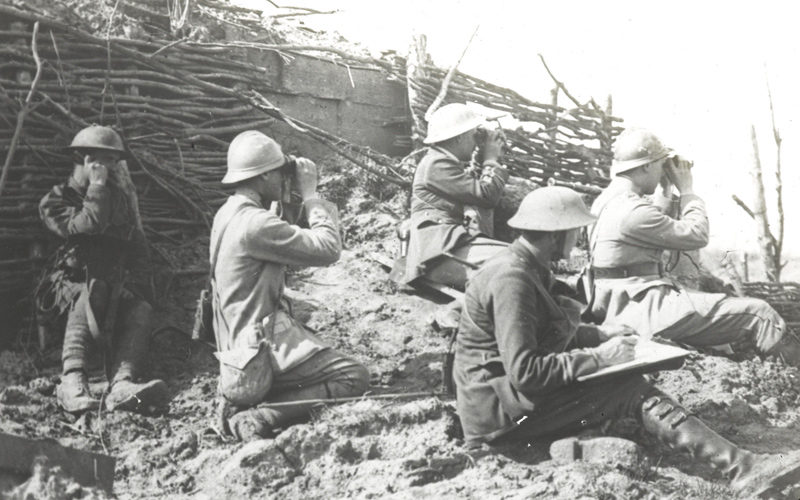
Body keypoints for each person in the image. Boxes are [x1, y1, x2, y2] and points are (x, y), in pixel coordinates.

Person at [453, 186, 800, 497]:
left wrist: (598, 334)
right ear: (555, 234)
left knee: (621, 386)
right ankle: (742, 469)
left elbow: (540, 332)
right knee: (629, 389)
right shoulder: (512, 278)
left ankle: (567, 443)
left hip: (507, 403)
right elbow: (526, 371)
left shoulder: (527, 266)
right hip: (499, 418)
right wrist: (601, 357)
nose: (578, 237)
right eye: (574, 229)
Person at [588, 128, 800, 365]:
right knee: (761, 315)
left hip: (618, 302)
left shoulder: (607, 201)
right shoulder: (632, 210)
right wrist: (687, 190)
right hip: (643, 311)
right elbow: (696, 235)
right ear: (646, 167)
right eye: (660, 166)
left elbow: (647, 228)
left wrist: (666, 190)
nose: (662, 173)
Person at [211, 130, 369, 441]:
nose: (285, 177)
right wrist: (310, 194)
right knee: (354, 375)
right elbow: (327, 249)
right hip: (255, 357)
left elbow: (279, 235)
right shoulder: (256, 224)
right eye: (280, 173)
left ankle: (250, 404)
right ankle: (259, 416)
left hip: (235, 349)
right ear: (265, 175)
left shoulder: (229, 213)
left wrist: (285, 195)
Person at [37, 125, 168, 414]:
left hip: (112, 288)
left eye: (112, 161)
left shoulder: (117, 200)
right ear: (84, 160)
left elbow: (134, 244)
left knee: (141, 309)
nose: (109, 168)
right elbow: (86, 226)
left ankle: (123, 383)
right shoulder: (56, 200)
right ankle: (72, 380)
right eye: (102, 161)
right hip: (68, 290)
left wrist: (139, 287)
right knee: (90, 292)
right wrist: (96, 188)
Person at [403, 103, 509, 290]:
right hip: (436, 255)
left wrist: (483, 158)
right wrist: (491, 158)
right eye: (474, 135)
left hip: (445, 246)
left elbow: (473, 188)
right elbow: (486, 195)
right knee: (513, 264)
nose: (477, 142)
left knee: (515, 261)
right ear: (460, 138)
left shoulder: (441, 161)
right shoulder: (436, 165)